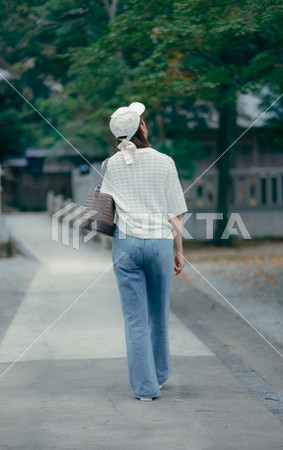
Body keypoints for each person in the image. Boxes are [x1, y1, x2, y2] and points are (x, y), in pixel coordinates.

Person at [100, 102, 188, 401]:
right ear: (143, 127)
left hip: (126, 244)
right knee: (158, 313)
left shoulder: (111, 164)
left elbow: (105, 210)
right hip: (160, 242)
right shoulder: (165, 161)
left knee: (135, 319)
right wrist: (178, 250)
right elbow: (175, 212)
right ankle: (160, 374)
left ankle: (145, 389)